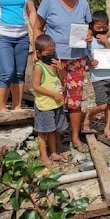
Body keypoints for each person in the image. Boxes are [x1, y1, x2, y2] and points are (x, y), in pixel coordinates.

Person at [33, 0, 92, 153]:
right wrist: (36, 51)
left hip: (76, 59)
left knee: (74, 100)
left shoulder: (83, 3)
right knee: (54, 98)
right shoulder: (49, 1)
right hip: (53, 60)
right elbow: (37, 27)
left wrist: (89, 36)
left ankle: (75, 137)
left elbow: (89, 29)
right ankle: (56, 140)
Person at [32, 35, 69, 166]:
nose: (50, 55)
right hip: (45, 105)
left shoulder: (54, 64)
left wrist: (61, 70)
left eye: (52, 52)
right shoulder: (39, 67)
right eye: (47, 53)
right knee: (43, 132)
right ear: (38, 53)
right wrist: (53, 94)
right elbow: (36, 86)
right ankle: (44, 156)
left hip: (56, 104)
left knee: (53, 130)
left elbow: (61, 79)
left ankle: (53, 152)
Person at [82, 11, 110, 141]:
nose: (101, 29)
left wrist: (106, 43)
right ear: (92, 26)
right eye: (98, 27)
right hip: (98, 77)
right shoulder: (89, 41)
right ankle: (89, 115)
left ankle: (107, 128)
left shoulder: (109, 40)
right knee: (102, 104)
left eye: (104, 27)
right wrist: (90, 62)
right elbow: (86, 59)